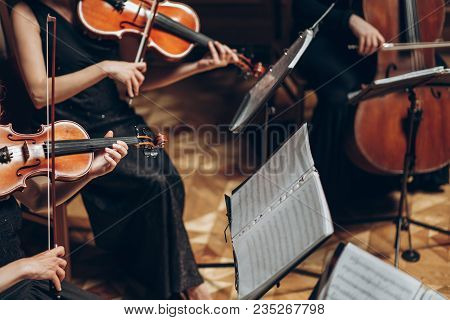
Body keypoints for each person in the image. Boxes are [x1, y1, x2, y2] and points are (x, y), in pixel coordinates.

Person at [10, 0, 239, 299]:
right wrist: (104, 68)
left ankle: (148, 267)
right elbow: (40, 93)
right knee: (152, 183)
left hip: (117, 115)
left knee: (168, 177)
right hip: (72, 130)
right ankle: (189, 286)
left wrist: (199, 65)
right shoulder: (25, 13)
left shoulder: (101, 9)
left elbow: (132, 82)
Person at [0, 128, 129, 299]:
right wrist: (25, 267)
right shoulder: (25, 269)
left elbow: (37, 199)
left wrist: (89, 173)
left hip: (24, 280)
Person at [291, 0, 385, 212]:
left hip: (378, 36)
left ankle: (393, 171)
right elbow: (302, 7)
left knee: (431, 69)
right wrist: (349, 19)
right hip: (322, 34)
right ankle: (329, 186)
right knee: (342, 89)